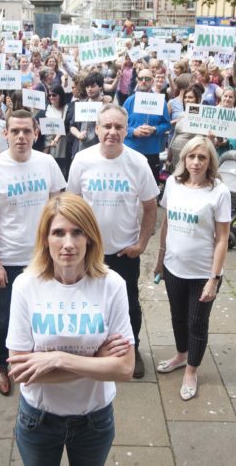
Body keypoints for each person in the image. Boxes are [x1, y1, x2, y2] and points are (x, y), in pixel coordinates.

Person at [7, 193, 134, 465]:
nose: (68, 244)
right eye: (58, 233)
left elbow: (124, 369)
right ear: (45, 238)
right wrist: (97, 362)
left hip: (94, 419)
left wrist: (56, 359)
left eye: (77, 232)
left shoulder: (112, 285)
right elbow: (20, 372)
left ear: (90, 237)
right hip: (38, 419)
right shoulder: (26, 285)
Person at [0, 109, 66, 395]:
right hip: (9, 260)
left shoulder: (48, 163)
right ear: (6, 134)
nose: (21, 137)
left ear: (36, 134)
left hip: (44, 258)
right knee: (5, 317)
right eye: (15, 131)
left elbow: (59, 209)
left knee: (44, 313)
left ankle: (37, 358)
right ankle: (1, 363)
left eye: (27, 131)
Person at [67, 104, 159, 378]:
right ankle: (89, 349)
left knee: (129, 304)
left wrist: (142, 244)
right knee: (85, 304)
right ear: (96, 129)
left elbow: (151, 206)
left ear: (126, 129)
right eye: (106, 126)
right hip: (88, 252)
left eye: (119, 127)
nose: (112, 132)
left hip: (123, 252)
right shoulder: (82, 160)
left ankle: (132, 349)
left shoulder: (138, 162)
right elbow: (71, 205)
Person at [153, 136, 230, 400]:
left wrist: (214, 278)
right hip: (174, 267)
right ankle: (180, 355)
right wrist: (160, 258)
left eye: (202, 157)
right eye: (191, 156)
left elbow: (222, 239)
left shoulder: (219, 191)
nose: (196, 162)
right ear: (183, 158)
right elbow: (166, 224)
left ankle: (191, 371)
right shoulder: (173, 185)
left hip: (202, 272)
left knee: (197, 322)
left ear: (210, 162)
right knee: (178, 316)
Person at [123, 68, 171, 181]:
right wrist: (133, 132)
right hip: (131, 150)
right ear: (137, 80)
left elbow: (167, 124)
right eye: (141, 78)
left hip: (151, 152)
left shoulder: (160, 102)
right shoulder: (129, 101)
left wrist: (154, 129)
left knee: (150, 186)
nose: (143, 81)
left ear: (152, 81)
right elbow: (120, 125)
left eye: (147, 78)